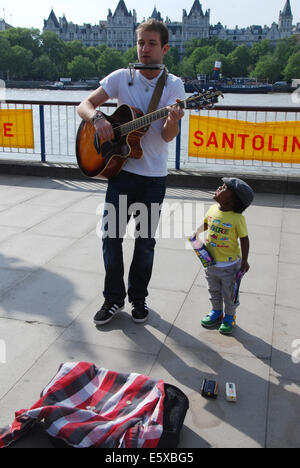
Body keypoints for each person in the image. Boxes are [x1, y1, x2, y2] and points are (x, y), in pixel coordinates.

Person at [77, 19, 185, 325]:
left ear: (164, 48)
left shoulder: (174, 85)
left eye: (152, 43)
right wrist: (98, 117)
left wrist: (174, 119)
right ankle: (113, 299)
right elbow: (84, 104)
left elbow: (165, 136)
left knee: (145, 241)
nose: (145, 49)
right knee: (111, 237)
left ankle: (139, 299)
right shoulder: (121, 77)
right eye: (141, 43)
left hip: (153, 178)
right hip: (120, 172)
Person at [193, 177, 254, 335]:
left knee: (229, 294)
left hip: (229, 266)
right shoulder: (213, 208)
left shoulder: (237, 219)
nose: (220, 187)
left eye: (225, 187)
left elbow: (244, 239)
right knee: (213, 290)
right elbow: (208, 223)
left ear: (233, 201)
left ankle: (229, 317)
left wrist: (245, 260)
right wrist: (197, 232)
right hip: (211, 263)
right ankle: (216, 311)